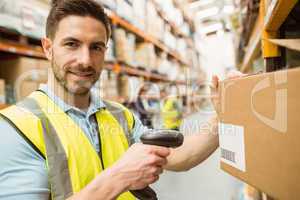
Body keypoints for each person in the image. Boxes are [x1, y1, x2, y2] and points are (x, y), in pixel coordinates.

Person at [0, 0, 221, 199]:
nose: (85, 60)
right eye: (71, 44)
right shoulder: (16, 127)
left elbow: (179, 157)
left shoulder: (120, 115)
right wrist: (118, 178)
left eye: (96, 47)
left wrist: (223, 116)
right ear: (48, 48)